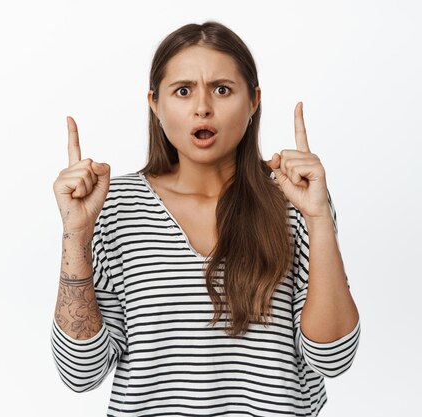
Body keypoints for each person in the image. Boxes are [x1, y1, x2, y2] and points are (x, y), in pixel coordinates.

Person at [51, 20, 360, 417]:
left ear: (253, 101)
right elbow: (81, 372)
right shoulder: (111, 205)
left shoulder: (295, 196)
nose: (202, 107)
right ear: (155, 105)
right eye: (183, 91)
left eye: (222, 89)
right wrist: (75, 234)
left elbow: (333, 358)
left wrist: (318, 217)